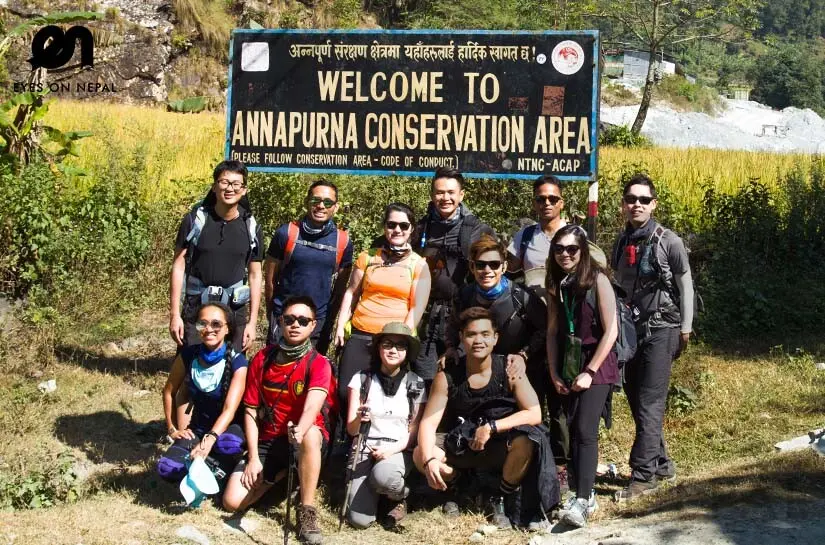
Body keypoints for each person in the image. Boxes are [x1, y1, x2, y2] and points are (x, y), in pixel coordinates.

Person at [414, 308, 559, 530]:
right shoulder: (447, 376)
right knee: (420, 452)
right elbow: (427, 423)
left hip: (500, 447)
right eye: (471, 334)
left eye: (484, 334)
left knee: (527, 440)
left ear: (495, 338)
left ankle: (500, 495)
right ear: (462, 337)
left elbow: (534, 412)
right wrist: (429, 461)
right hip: (463, 444)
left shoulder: (509, 369)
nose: (478, 340)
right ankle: (460, 485)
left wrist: (492, 427)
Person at [223, 296, 336, 545]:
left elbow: (313, 406)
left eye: (303, 320)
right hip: (270, 438)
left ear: (313, 326)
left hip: (306, 438)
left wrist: (301, 428)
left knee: (310, 434)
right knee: (231, 502)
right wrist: (252, 458)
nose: (295, 324)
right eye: (289, 319)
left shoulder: (318, 364)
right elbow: (251, 410)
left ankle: (306, 511)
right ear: (281, 322)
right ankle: (281, 475)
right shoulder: (262, 359)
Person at [610, 173, 694, 501]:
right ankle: (661, 463)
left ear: (653, 204)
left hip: (664, 327)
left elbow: (685, 284)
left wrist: (686, 327)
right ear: (624, 204)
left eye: (644, 200)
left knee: (650, 399)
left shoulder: (667, 241)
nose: (637, 205)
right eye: (632, 199)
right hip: (632, 330)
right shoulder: (622, 241)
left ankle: (643, 475)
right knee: (634, 396)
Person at [546, 224, 619, 527]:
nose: (565, 254)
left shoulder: (598, 279)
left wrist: (590, 371)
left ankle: (583, 499)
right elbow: (552, 332)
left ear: (583, 251)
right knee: (573, 429)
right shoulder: (556, 283)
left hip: (597, 362)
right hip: (569, 363)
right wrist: (553, 371)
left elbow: (611, 329)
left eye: (572, 249)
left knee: (587, 429)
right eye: (559, 248)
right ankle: (583, 493)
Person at [334, 202, 431, 412]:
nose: (397, 230)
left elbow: (416, 307)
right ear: (384, 226)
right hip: (361, 334)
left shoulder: (418, 264)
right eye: (392, 224)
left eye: (403, 226)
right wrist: (340, 326)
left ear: (411, 229)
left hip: (394, 340)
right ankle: (345, 440)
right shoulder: (367, 257)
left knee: (382, 396)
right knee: (346, 392)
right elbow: (352, 292)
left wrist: (398, 341)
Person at [411, 167, 495, 385]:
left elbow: (494, 273)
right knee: (424, 384)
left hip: (463, 318)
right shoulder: (419, 229)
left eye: (450, 192)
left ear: (461, 195)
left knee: (461, 382)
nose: (445, 198)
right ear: (432, 195)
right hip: (425, 318)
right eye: (439, 192)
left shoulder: (477, 230)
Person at [169, 160, 263, 352]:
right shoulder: (195, 220)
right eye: (224, 182)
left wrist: (252, 323)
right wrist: (175, 314)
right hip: (197, 305)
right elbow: (179, 266)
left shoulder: (251, 226)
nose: (230, 188)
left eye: (237, 184)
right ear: (214, 186)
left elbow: (255, 275)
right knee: (191, 363)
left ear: (244, 190)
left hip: (234, 308)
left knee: (233, 364)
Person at [343, 322, 426, 529]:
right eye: (387, 344)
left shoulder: (416, 384)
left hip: (397, 449)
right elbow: (351, 430)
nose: (393, 350)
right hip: (364, 447)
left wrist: (391, 450)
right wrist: (358, 419)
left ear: (407, 352)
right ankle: (382, 500)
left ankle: (401, 495)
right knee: (358, 521)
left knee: (383, 476)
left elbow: (414, 431)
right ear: (378, 347)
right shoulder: (361, 379)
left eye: (400, 346)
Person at [157, 302, 247, 486]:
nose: (209, 329)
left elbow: (229, 410)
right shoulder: (189, 355)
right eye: (202, 323)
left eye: (216, 324)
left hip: (228, 430)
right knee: (167, 468)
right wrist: (173, 429)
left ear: (227, 328)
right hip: (198, 428)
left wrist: (209, 441)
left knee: (229, 444)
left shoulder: (238, 361)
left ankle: (223, 465)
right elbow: (170, 391)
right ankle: (204, 466)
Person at [445, 235, 547, 398]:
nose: (487, 271)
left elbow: (545, 330)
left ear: (504, 267)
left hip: (517, 373)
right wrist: (450, 348)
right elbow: (453, 325)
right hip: (477, 375)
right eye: (480, 265)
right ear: (472, 267)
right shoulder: (464, 295)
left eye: (494, 265)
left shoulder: (523, 297)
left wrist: (524, 355)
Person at [264, 179, 354, 353]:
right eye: (316, 200)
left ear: (335, 207)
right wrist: (273, 316)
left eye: (327, 202)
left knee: (310, 376)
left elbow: (339, 291)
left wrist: (328, 323)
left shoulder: (343, 241)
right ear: (307, 202)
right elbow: (270, 281)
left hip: (317, 323)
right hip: (284, 319)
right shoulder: (286, 233)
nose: (321, 206)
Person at [506, 175, 567, 295]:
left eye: (553, 199)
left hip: (567, 308)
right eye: (541, 199)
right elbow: (508, 268)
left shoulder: (576, 236)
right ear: (534, 203)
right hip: (532, 307)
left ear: (561, 203)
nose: (547, 203)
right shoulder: (524, 235)